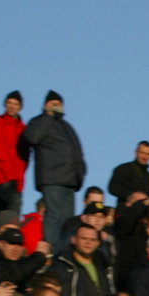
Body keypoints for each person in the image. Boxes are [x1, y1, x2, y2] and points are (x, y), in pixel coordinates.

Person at [20, 92, 85, 246]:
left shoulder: (66, 126)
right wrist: (48, 116)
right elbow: (32, 137)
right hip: (52, 177)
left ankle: (63, 253)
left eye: (59, 103)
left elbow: (76, 150)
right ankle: (52, 252)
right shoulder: (39, 121)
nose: (56, 106)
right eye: (53, 103)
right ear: (46, 104)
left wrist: (80, 172)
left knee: (68, 221)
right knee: (54, 218)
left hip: (70, 180)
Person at [53, 224, 113, 296]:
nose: (88, 242)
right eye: (83, 238)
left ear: (98, 243)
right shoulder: (61, 267)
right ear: (74, 240)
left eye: (92, 239)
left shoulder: (105, 265)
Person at [0, 92, 28, 215]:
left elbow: (25, 157)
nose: (12, 106)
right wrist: (10, 177)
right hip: (1, 177)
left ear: (20, 107)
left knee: (12, 205)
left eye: (15, 104)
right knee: (14, 204)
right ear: (5, 104)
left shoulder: (22, 129)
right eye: (9, 103)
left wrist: (18, 179)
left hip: (16, 179)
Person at [108, 140, 149, 206]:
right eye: (142, 153)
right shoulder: (124, 169)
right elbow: (112, 188)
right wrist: (131, 195)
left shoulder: (148, 175)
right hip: (125, 212)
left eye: (148, 154)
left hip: (142, 213)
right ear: (136, 152)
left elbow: (148, 197)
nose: (145, 157)